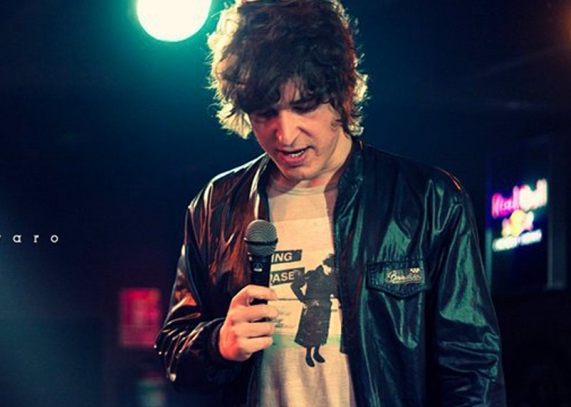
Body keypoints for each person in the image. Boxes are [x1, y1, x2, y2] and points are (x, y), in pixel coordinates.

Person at [154, 0, 506, 406]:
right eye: (265, 113)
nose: (285, 134)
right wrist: (218, 343)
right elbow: (173, 349)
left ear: (343, 93)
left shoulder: (428, 199)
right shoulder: (216, 206)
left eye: (303, 107)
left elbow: (472, 367)